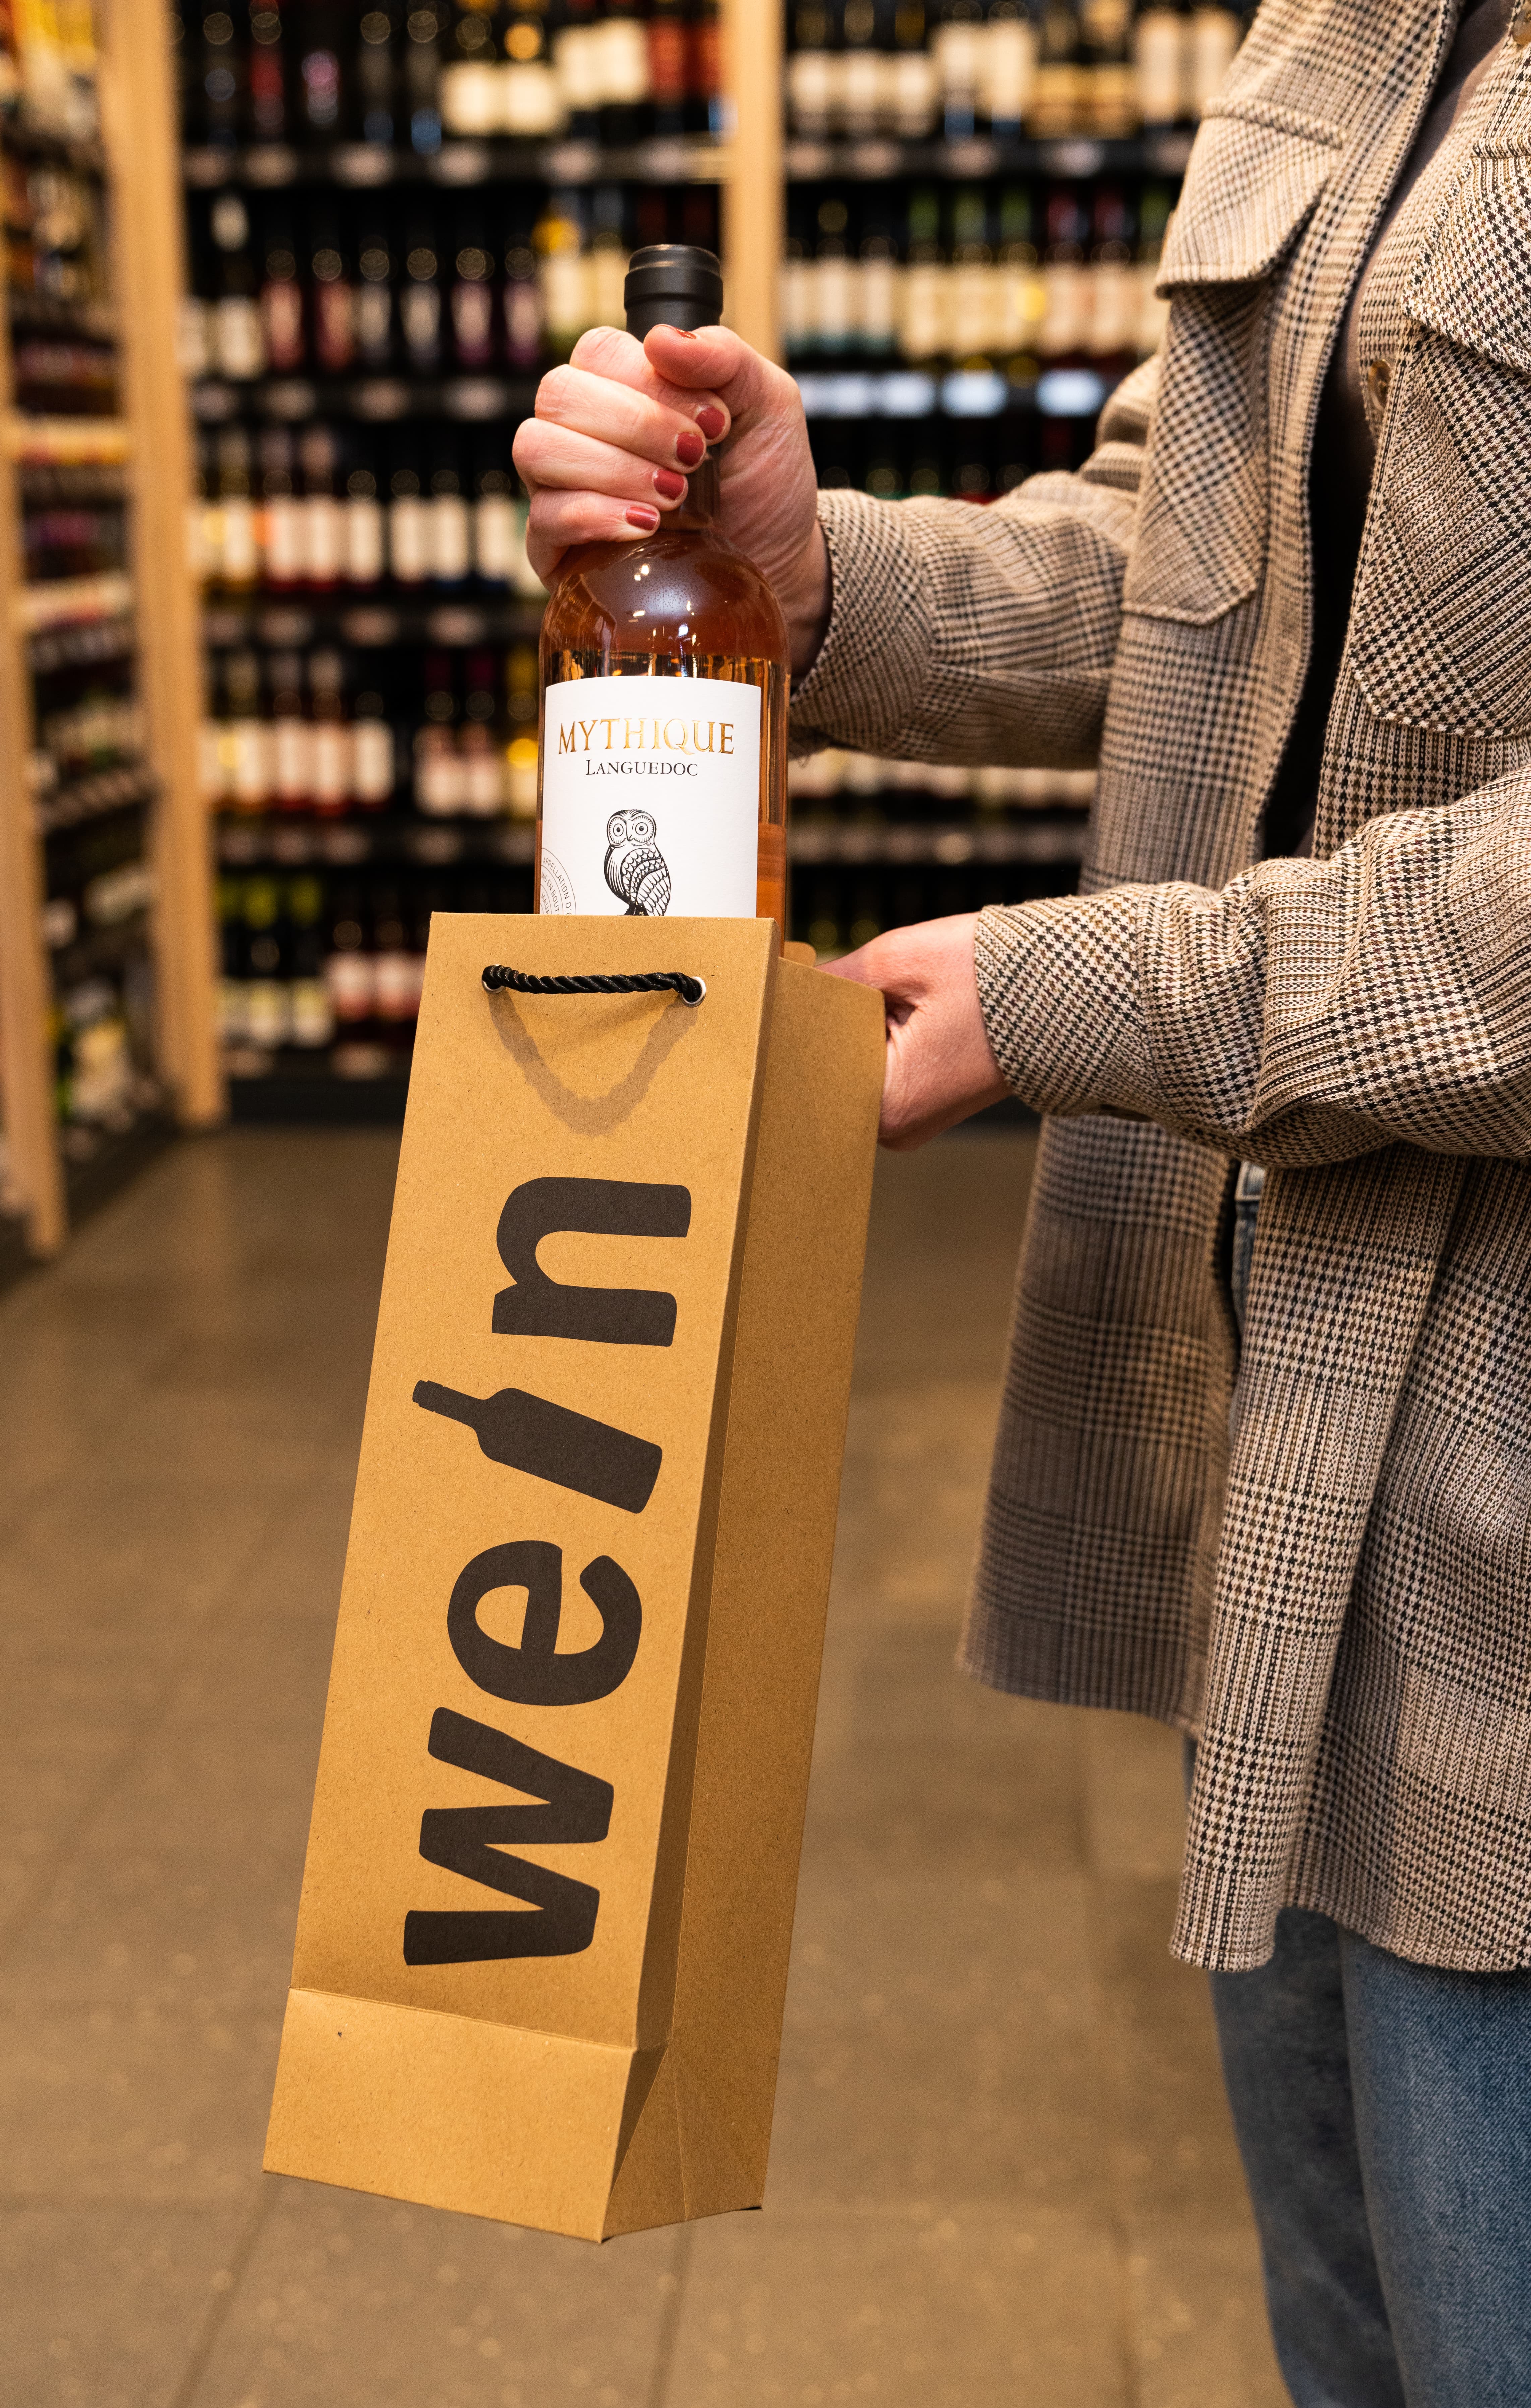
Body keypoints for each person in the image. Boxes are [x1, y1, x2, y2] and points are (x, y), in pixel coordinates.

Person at [513, 0, 1531, 2395]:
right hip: (1288, 1404)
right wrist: (814, 571)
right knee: (1355, 2342)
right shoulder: (1353, 21)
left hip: (1501, 1448)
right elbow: (1204, 568)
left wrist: (1096, 991)